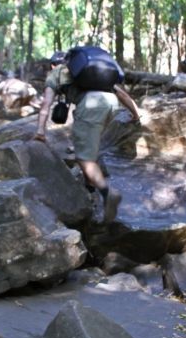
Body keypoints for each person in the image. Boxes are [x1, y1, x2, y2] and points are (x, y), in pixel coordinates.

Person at [33, 50, 142, 223]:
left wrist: (40, 131)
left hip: (91, 106)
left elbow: (46, 103)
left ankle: (107, 193)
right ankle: (89, 189)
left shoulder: (56, 73)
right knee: (91, 146)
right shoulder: (91, 71)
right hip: (111, 105)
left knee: (83, 157)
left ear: (53, 65)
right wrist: (135, 114)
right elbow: (121, 94)